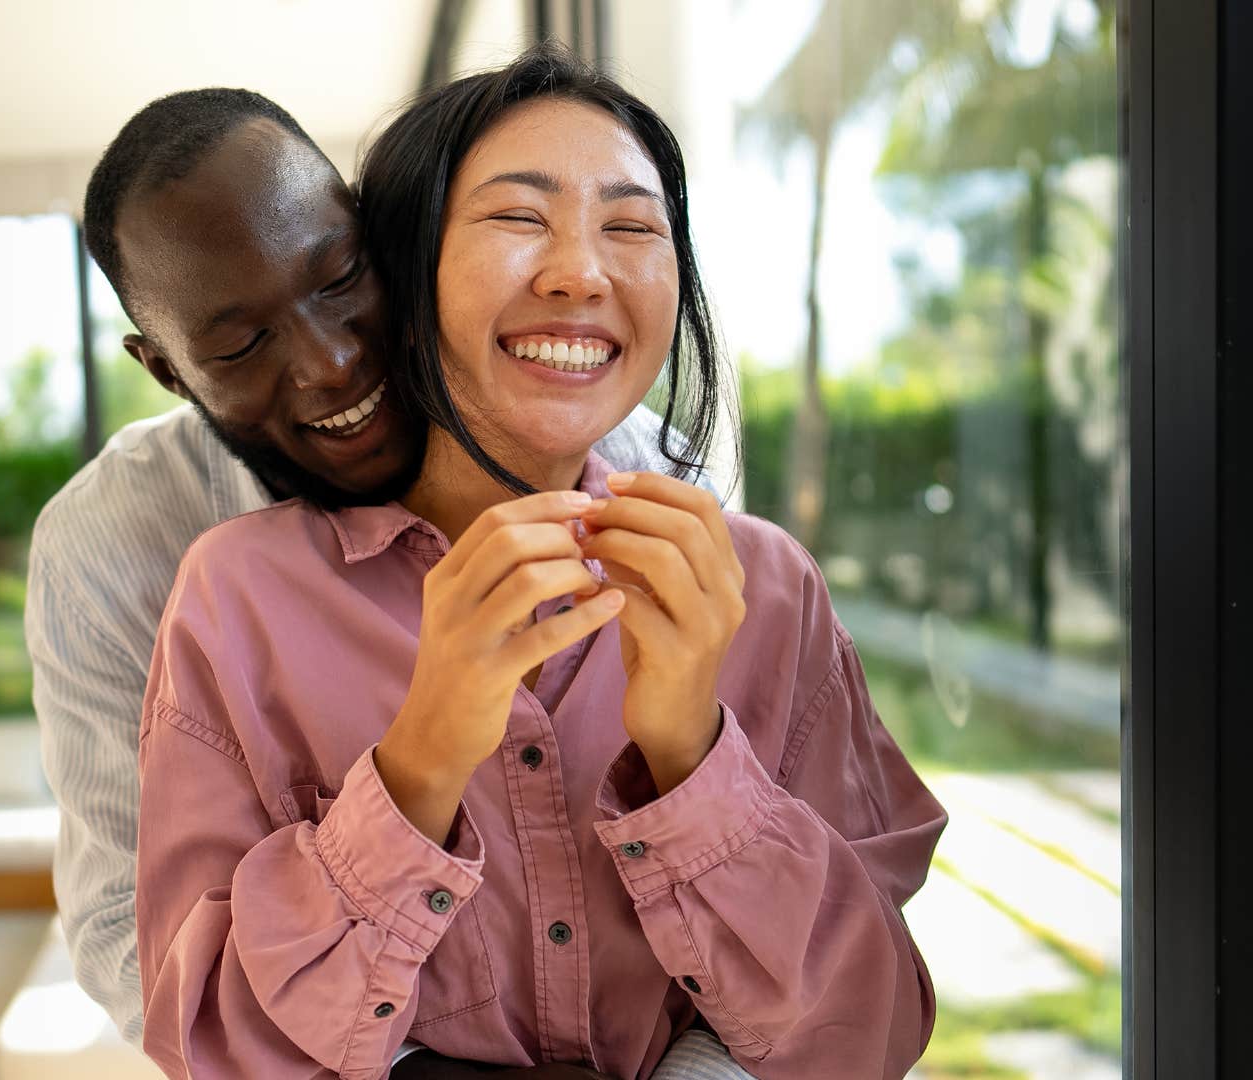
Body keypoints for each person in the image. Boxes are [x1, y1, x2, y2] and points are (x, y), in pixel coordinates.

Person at [133, 45, 948, 1080]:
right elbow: (209, 1041)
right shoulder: (237, 601)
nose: (582, 272)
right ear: (402, 274)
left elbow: (868, 1034)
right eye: (520, 218)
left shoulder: (770, 592)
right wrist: (420, 763)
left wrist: (692, 751)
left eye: (633, 227)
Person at [28, 85, 738, 1077]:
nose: (330, 362)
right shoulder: (113, 548)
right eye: (240, 345)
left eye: (340, 279)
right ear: (168, 370)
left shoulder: (627, 460)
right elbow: (129, 932)